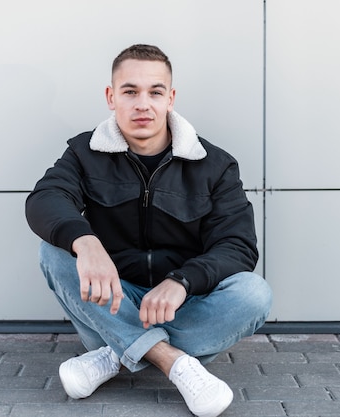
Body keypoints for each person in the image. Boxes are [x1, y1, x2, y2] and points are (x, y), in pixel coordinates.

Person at [25, 44, 272, 417]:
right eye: (130, 91)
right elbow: (45, 199)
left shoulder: (215, 165)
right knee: (54, 251)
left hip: (180, 305)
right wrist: (87, 242)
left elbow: (237, 246)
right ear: (111, 97)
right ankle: (173, 362)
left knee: (254, 293)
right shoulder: (83, 152)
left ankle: (115, 355)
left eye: (155, 92)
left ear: (170, 98)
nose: (143, 104)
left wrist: (183, 281)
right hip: (111, 302)